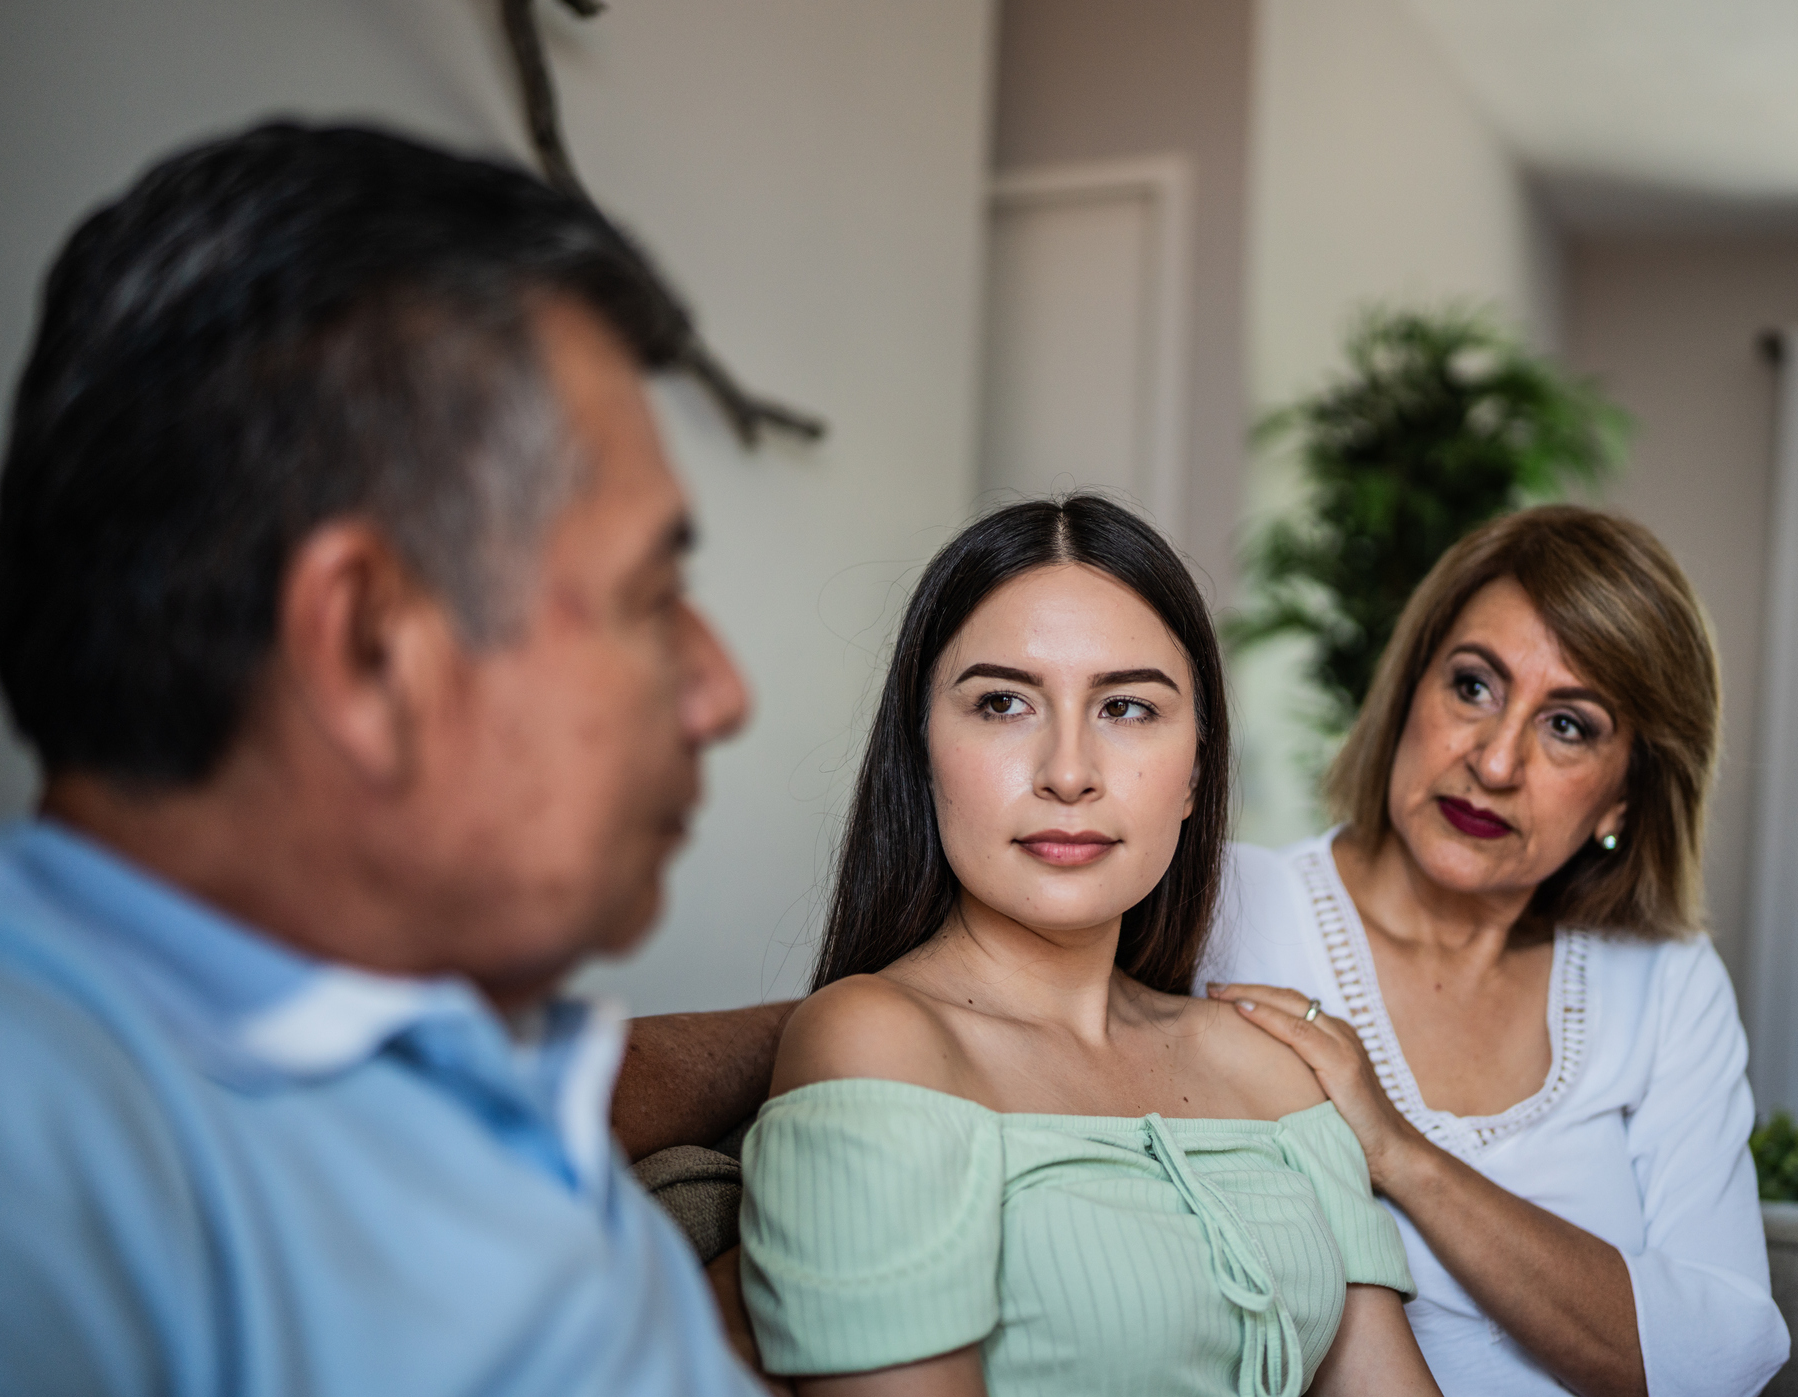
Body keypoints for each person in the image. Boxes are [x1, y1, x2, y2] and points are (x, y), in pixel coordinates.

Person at [0, 122, 767, 1395]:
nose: (721, 691)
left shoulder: (476, 1055)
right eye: (650, 595)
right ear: (367, 646)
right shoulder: (49, 1156)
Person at [736, 496, 1441, 1397]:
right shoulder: (878, 1042)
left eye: (1128, 708)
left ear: (1195, 772)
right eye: (1002, 702)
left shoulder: (1268, 1065)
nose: (1068, 772)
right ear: (921, 753)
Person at [1203, 507, 1790, 1397]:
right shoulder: (1227, 909)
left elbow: (1728, 1353)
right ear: (1409, 690)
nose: (1497, 759)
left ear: (1624, 799)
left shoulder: (1667, 981)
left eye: (1570, 726)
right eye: (1473, 686)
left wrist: (1404, 1156)